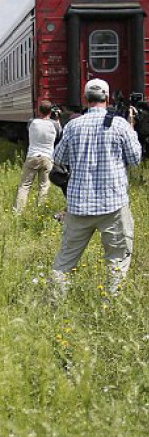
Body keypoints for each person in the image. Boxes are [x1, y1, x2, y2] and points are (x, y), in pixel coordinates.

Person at [50, 78, 141, 295]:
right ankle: (111, 303)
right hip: (113, 205)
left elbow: (59, 158)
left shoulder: (73, 126)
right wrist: (131, 128)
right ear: (107, 98)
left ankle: (55, 301)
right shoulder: (120, 125)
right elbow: (135, 159)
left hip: (79, 205)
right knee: (117, 259)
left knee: (65, 260)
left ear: (86, 98)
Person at [14, 101, 60, 211]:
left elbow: (29, 128)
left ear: (39, 110)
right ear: (50, 111)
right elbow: (59, 135)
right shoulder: (55, 124)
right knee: (44, 186)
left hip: (33, 156)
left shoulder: (32, 122)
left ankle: (18, 210)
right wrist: (57, 118)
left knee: (24, 186)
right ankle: (40, 210)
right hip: (48, 157)